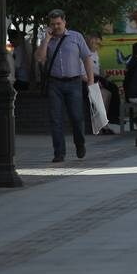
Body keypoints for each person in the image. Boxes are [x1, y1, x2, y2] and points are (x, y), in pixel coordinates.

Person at [35, 9, 94, 162]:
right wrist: (46, 40)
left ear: (64, 22)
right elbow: (40, 59)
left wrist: (91, 80)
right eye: (53, 24)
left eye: (58, 23)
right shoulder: (46, 39)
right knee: (56, 119)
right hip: (55, 83)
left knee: (77, 117)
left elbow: (87, 58)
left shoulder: (76, 37)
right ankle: (59, 153)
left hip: (74, 82)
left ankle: (80, 144)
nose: (56, 27)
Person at [86, 34, 121, 129]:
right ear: (91, 41)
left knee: (113, 87)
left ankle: (113, 117)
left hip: (98, 77)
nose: (97, 46)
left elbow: (99, 68)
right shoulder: (86, 54)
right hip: (91, 78)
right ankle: (109, 119)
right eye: (96, 43)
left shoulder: (95, 54)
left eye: (98, 44)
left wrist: (105, 77)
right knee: (108, 92)